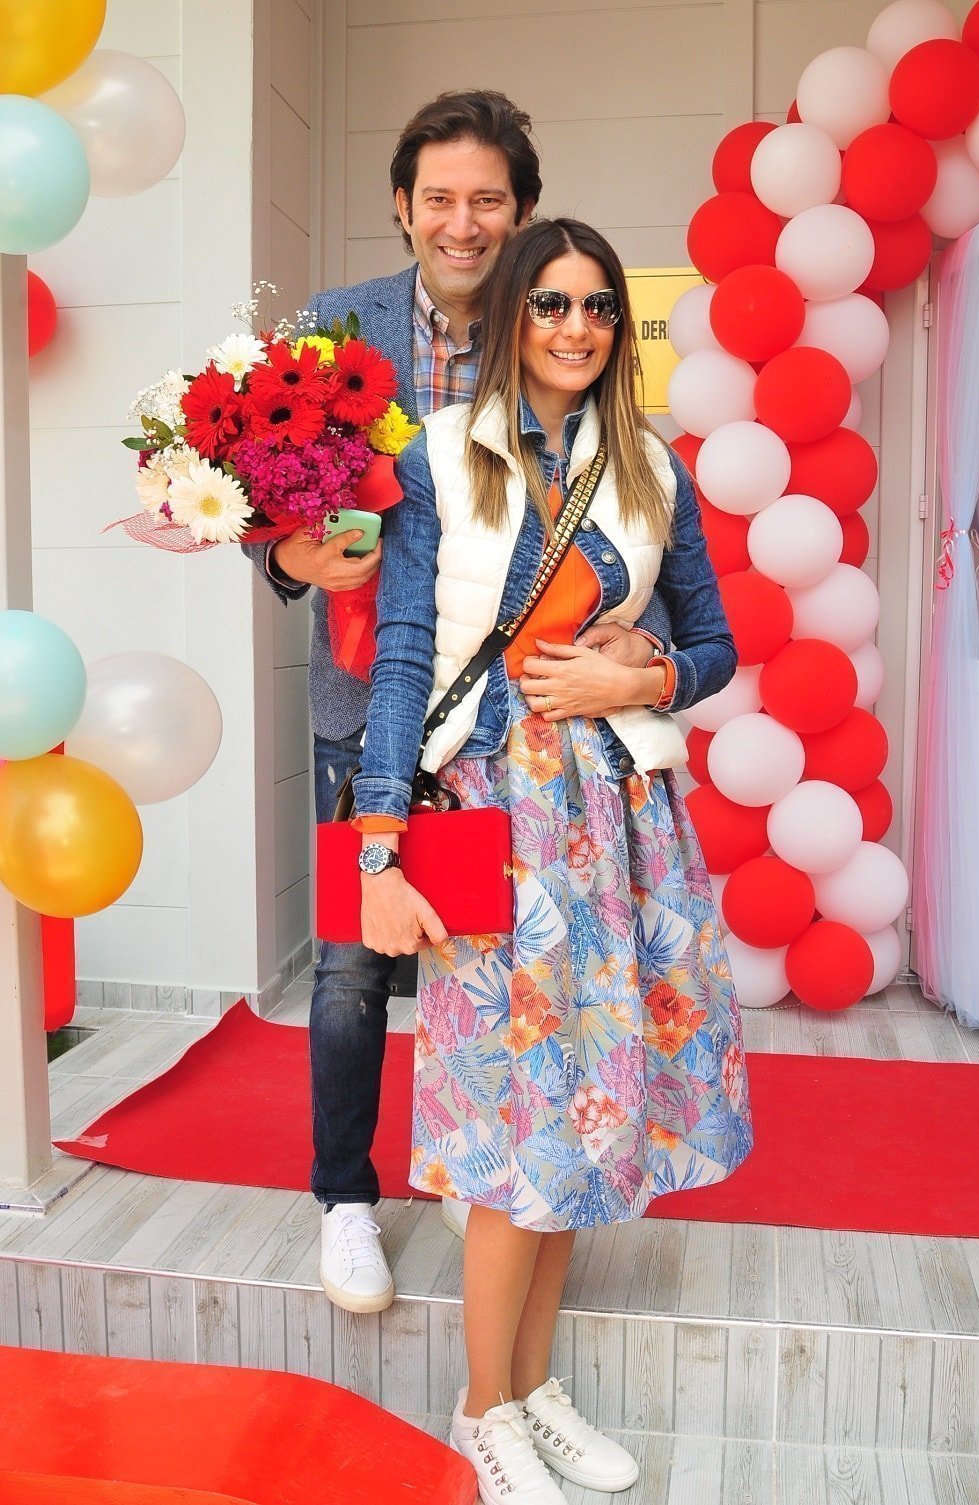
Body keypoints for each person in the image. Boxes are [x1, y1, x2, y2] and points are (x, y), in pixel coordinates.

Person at [246, 93, 666, 1313]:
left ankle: (476, 1170)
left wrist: (640, 642)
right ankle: (343, 1196)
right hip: (368, 704)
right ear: (402, 206)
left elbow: (616, 516)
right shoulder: (339, 325)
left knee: (500, 964)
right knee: (350, 966)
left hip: (514, 725)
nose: (463, 222)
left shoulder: (553, 328)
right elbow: (270, 498)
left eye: (488, 199)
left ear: (522, 211)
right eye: (439, 198)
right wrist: (285, 556)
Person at [355, 219, 753, 1504]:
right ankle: (483, 1405)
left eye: (596, 307)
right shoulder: (438, 458)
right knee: (506, 1125)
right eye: (550, 304)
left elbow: (715, 643)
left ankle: (530, 1388)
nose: (575, 327)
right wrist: (377, 844)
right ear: (512, 313)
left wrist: (641, 672)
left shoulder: (651, 465)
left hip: (617, 821)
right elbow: (404, 651)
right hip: (493, 815)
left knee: (584, 1107)